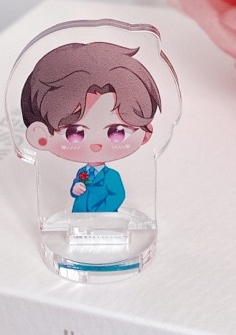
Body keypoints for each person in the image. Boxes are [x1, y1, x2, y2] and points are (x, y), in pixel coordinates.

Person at [21, 41, 161, 212]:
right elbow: (75, 190)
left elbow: (117, 195)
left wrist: (101, 212)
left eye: (116, 132)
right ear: (41, 136)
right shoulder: (82, 172)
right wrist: (75, 189)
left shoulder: (112, 177)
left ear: (146, 133)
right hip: (78, 215)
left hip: (104, 218)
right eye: (74, 133)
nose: (96, 145)